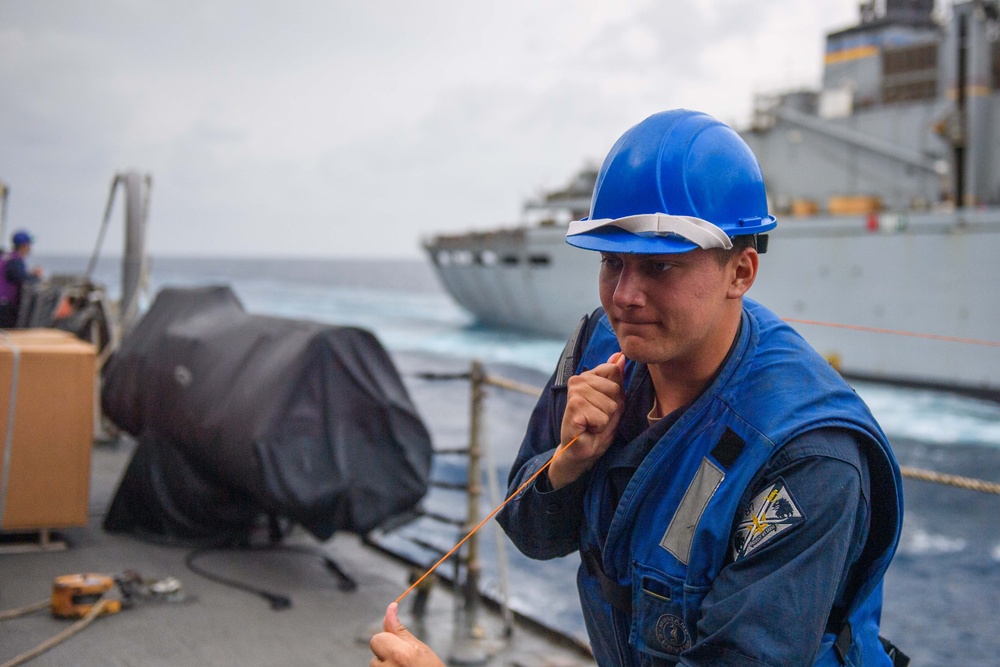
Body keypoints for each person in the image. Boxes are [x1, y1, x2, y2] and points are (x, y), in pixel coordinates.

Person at [371, 109, 905, 666]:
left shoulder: (809, 462)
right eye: (611, 262)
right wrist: (566, 466)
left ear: (740, 273)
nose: (624, 295)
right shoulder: (599, 345)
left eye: (660, 267)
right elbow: (531, 534)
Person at [0, 230, 43, 328]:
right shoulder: (15, 261)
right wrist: (35, 276)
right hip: (5, 305)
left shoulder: (6, 257)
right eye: (29, 245)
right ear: (23, 246)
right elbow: (21, 277)